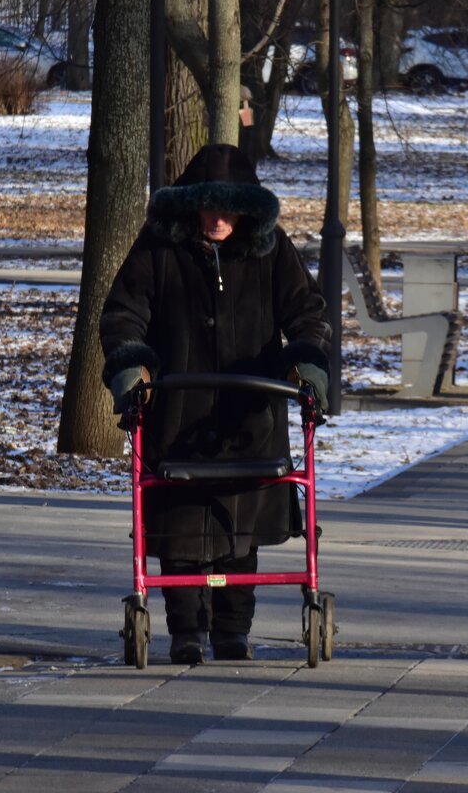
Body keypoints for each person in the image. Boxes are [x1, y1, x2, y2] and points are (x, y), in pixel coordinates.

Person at [100, 143, 330, 664]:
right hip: (177, 414)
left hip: (250, 413)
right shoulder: (159, 249)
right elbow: (123, 314)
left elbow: (306, 312)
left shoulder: (272, 251)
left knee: (239, 522)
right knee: (181, 523)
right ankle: (185, 630)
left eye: (228, 209)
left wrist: (306, 365)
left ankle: (232, 630)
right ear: (191, 205)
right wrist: (131, 367)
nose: (218, 219)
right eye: (208, 207)